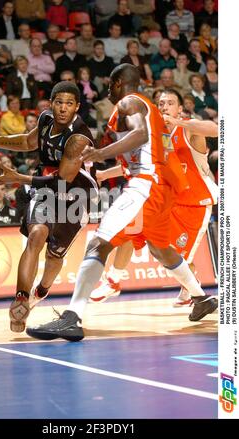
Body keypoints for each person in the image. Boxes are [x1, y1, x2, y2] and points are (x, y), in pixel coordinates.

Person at [25, 64, 218, 342]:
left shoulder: (130, 102)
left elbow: (138, 135)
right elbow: (150, 147)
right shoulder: (147, 108)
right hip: (157, 188)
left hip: (145, 186)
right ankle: (200, 298)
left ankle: (72, 317)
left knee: (98, 244)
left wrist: (100, 152)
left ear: (118, 83)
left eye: (109, 83)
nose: (106, 88)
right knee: (160, 247)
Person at [0, 81, 98, 332]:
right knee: (36, 235)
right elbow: (27, 142)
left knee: (54, 255)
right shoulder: (45, 119)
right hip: (46, 188)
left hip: (75, 195)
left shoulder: (78, 136)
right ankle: (21, 300)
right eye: (59, 102)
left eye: (69, 104)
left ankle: (41, 291)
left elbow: (63, 180)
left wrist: (19, 178)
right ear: (51, 104)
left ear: (77, 107)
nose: (63, 108)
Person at [90, 89, 218, 306]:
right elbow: (139, 167)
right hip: (165, 201)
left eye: (170, 103)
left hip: (193, 203)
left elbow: (215, 130)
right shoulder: (152, 135)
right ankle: (113, 280)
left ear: (180, 108)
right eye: (161, 103)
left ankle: (192, 290)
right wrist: (103, 174)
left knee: (178, 259)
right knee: (133, 228)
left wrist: (180, 122)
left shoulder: (189, 129)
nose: (164, 107)